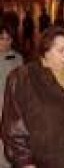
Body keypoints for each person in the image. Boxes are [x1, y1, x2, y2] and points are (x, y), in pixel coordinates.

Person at [1, 26, 64, 167]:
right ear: (45, 52)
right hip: (42, 159)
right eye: (61, 50)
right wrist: (24, 161)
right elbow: (14, 125)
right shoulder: (23, 78)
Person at [0, 24, 23, 167]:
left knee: (8, 139)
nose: (5, 42)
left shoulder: (16, 58)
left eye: (8, 38)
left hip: (10, 104)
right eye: (1, 38)